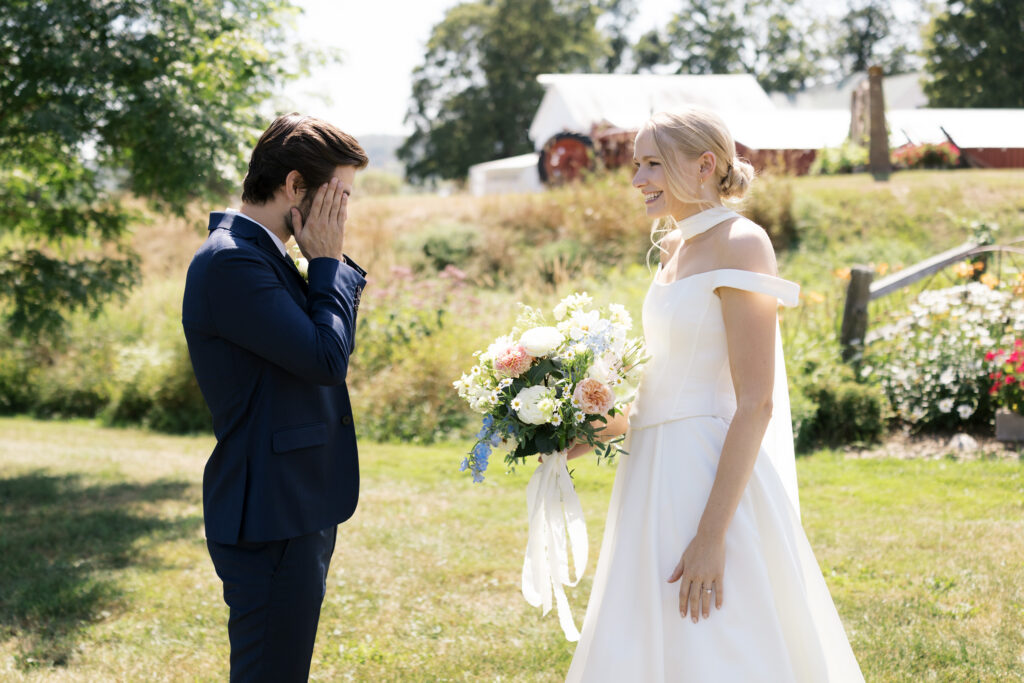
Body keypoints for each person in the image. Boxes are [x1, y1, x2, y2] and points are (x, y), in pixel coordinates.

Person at [563, 107, 864, 682]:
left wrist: (709, 536)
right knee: (645, 636)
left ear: (705, 165)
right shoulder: (673, 248)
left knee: (716, 641)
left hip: (706, 478)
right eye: (636, 165)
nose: (637, 180)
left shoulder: (742, 242)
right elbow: (664, 387)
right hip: (649, 476)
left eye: (652, 164)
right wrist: (577, 436)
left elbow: (756, 402)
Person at [182, 113, 368, 682]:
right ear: (294, 186)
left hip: (293, 506)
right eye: (339, 197)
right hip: (271, 513)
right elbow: (325, 360)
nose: (344, 213)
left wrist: (324, 266)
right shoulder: (232, 260)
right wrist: (328, 264)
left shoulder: (261, 255)